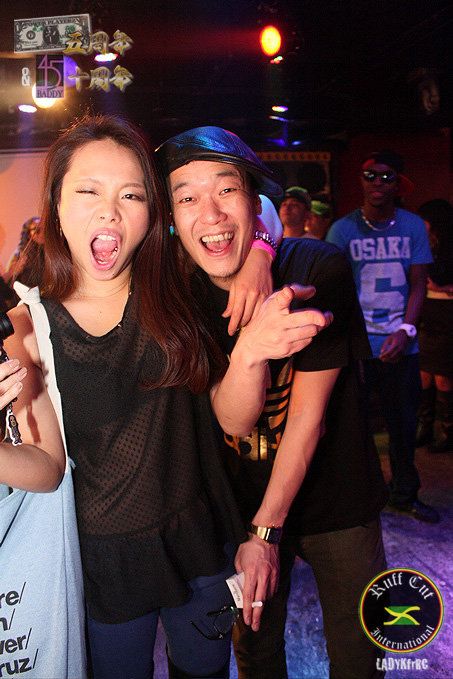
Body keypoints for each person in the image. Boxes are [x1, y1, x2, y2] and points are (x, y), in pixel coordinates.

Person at [0, 113, 330, 679]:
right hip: (106, 563)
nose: (110, 211)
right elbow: (46, 469)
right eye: (88, 191)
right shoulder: (28, 328)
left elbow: (234, 417)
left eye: (131, 195)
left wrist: (254, 320)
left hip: (200, 543)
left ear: (152, 212)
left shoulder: (176, 284)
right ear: (56, 204)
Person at [156, 126, 389, 679]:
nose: (210, 214)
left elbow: (307, 418)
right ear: (171, 218)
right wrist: (251, 349)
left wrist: (267, 532)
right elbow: (233, 418)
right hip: (240, 505)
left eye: (226, 190)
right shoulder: (179, 297)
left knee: (361, 657)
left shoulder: (316, 268)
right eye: (187, 198)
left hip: (337, 501)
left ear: (252, 200)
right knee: (256, 656)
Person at [327, 150, 440, 523]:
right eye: (370, 175)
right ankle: (361, 499)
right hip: (359, 347)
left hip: (401, 345)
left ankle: (404, 494)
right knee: (353, 428)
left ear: (398, 184)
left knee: (403, 427)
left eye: (387, 176)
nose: (378, 182)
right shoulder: (342, 230)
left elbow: (419, 283)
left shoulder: (412, 226)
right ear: (360, 180)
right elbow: (335, 290)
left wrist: (406, 330)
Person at [415, 198, 453, 453]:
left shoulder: (449, 249)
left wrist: (442, 288)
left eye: (424, 218)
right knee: (424, 376)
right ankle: (425, 427)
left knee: (443, 378)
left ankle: (448, 431)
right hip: (427, 314)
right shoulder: (425, 244)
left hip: (446, 316)